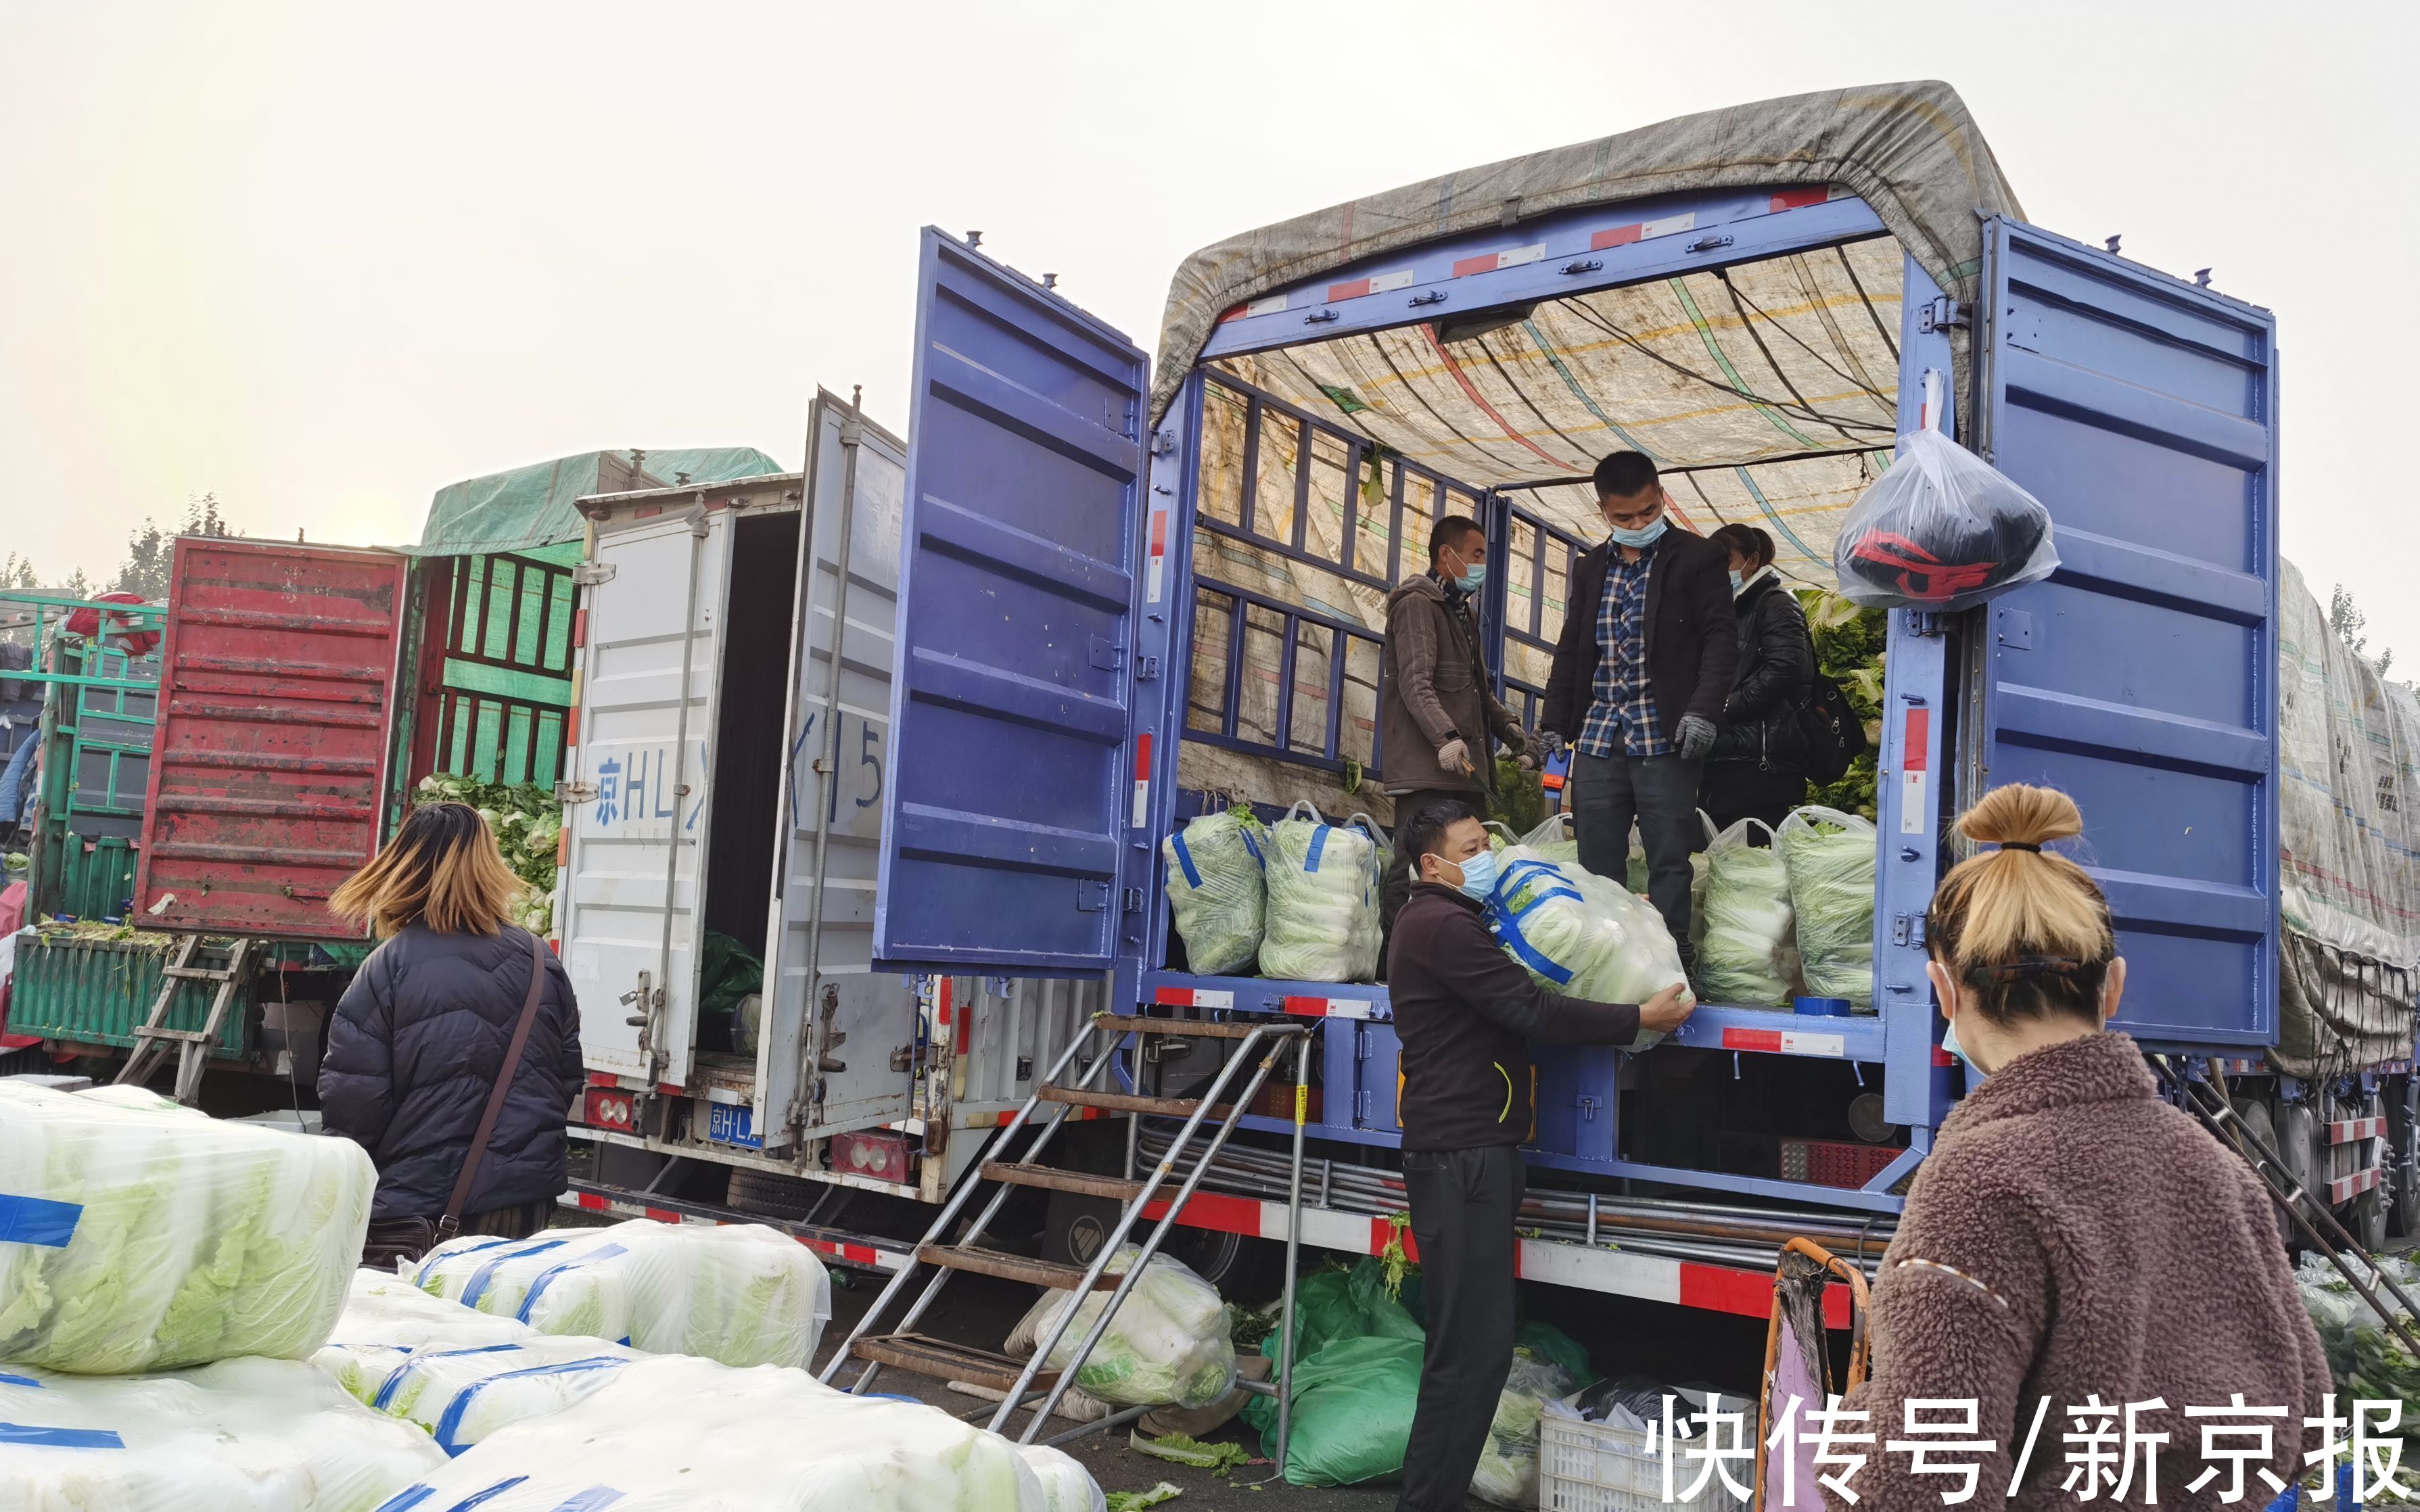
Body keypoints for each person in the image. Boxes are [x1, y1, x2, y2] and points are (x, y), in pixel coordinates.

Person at [1837, 785, 2329, 1512]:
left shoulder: (1973, 1187)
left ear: (1944, 991)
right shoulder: (2215, 1167)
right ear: (2112, 988)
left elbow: (1921, 1483)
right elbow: (2309, 1415)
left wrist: (1849, 1439)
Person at [1387, 799, 1695, 1512]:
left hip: (1466, 1148)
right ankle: (1425, 1502)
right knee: (1470, 1349)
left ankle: (1427, 1499)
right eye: (1470, 847)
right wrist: (1634, 1019)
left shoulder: (1449, 922)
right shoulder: (1439, 926)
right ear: (1433, 864)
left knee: (1470, 1346)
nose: (1485, 853)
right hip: (1461, 1153)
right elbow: (1532, 1008)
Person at [320, 801, 584, 1246]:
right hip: (522, 1209)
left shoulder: (389, 967)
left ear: (405, 866)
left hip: (418, 1213)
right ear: (490, 866)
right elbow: (564, 1080)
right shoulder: (541, 962)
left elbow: (354, 1107)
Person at [1540, 452, 1737, 953]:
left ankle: (1670, 957)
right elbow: (1572, 646)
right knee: (1595, 855)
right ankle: (1604, 956)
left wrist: (1703, 711)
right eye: (1623, 518)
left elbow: (1720, 639)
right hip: (1600, 734)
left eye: (1647, 512)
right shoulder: (1590, 569)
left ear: (1661, 497)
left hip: (1663, 735)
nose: (1638, 524)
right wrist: (1554, 721)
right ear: (1603, 509)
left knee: (1669, 856)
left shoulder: (1697, 558)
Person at [1377, 514, 1539, 936]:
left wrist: (1508, 728)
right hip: (1428, 769)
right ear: (1447, 556)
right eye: (1477, 555)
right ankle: (1397, 959)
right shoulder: (1417, 605)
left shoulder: (1462, 616)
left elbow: (1477, 692)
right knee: (1414, 867)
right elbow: (1416, 683)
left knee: (1471, 866)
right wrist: (1445, 738)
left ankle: (1455, 949)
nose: (1484, 564)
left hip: (1465, 772)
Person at [1699, 523, 1815, 839]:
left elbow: (1785, 669)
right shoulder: (1722, 609)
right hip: (1722, 756)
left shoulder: (1776, 603)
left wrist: (1723, 708)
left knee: (1752, 865)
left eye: (1727, 562)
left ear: (1752, 561)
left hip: (1761, 763)